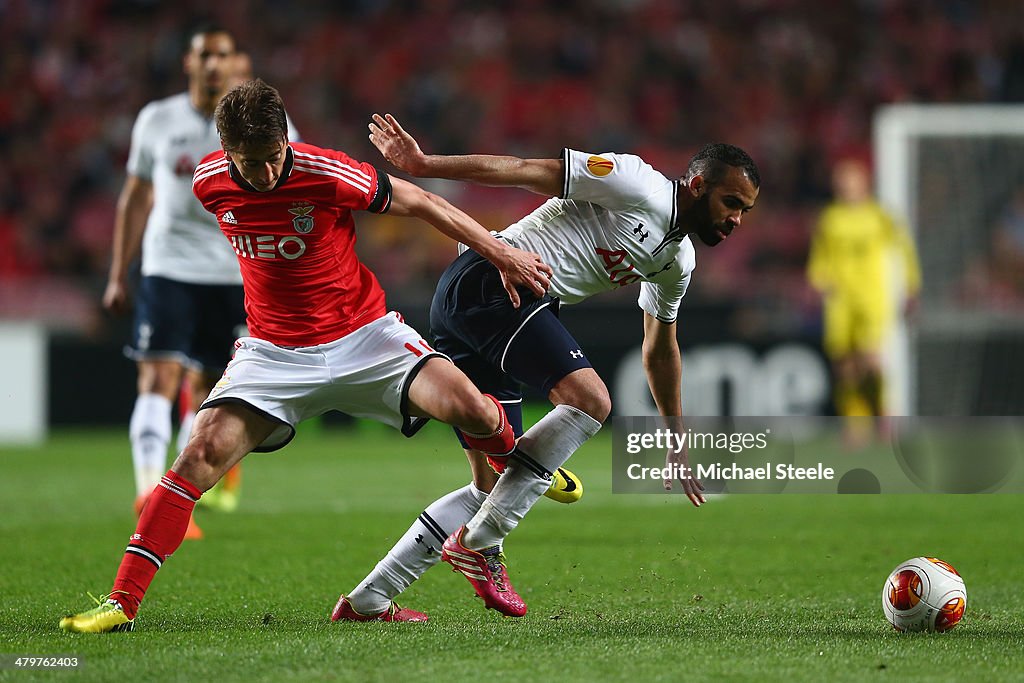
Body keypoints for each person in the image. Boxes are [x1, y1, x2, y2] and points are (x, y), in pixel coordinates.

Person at [59, 78, 554, 633]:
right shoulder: (208, 182)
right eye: (251, 163)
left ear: (286, 143)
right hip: (273, 354)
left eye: (273, 158)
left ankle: (526, 467)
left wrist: (501, 253)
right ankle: (121, 603)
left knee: (477, 410)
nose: (266, 173)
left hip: (365, 337)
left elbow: (422, 202)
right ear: (226, 153)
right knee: (198, 455)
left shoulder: (328, 172)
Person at [334, 114, 760, 620]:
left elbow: (659, 346)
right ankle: (479, 545)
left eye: (745, 210)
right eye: (731, 203)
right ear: (696, 185)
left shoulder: (677, 262)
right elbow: (521, 169)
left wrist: (674, 434)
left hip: (488, 301)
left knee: (492, 489)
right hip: (495, 279)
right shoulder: (634, 180)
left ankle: (369, 599)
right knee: (590, 400)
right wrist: (425, 165)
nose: (736, 219)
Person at [104, 26, 296, 533]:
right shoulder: (157, 120)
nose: (213, 64)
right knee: (158, 376)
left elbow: (289, 191)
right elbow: (136, 196)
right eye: (204, 55)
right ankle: (148, 491)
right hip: (168, 266)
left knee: (209, 387)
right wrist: (118, 272)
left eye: (223, 55)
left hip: (235, 269)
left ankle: (177, 495)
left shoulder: (259, 122)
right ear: (189, 63)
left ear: (237, 63)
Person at [806, 157, 921, 442]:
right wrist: (818, 280)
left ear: (864, 183)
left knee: (871, 359)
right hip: (840, 299)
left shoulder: (881, 216)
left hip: (872, 296)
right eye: (840, 181)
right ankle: (855, 425)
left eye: (849, 180)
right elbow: (821, 256)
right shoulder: (830, 218)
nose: (844, 186)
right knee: (844, 362)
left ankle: (882, 414)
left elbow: (904, 251)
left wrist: (911, 286)